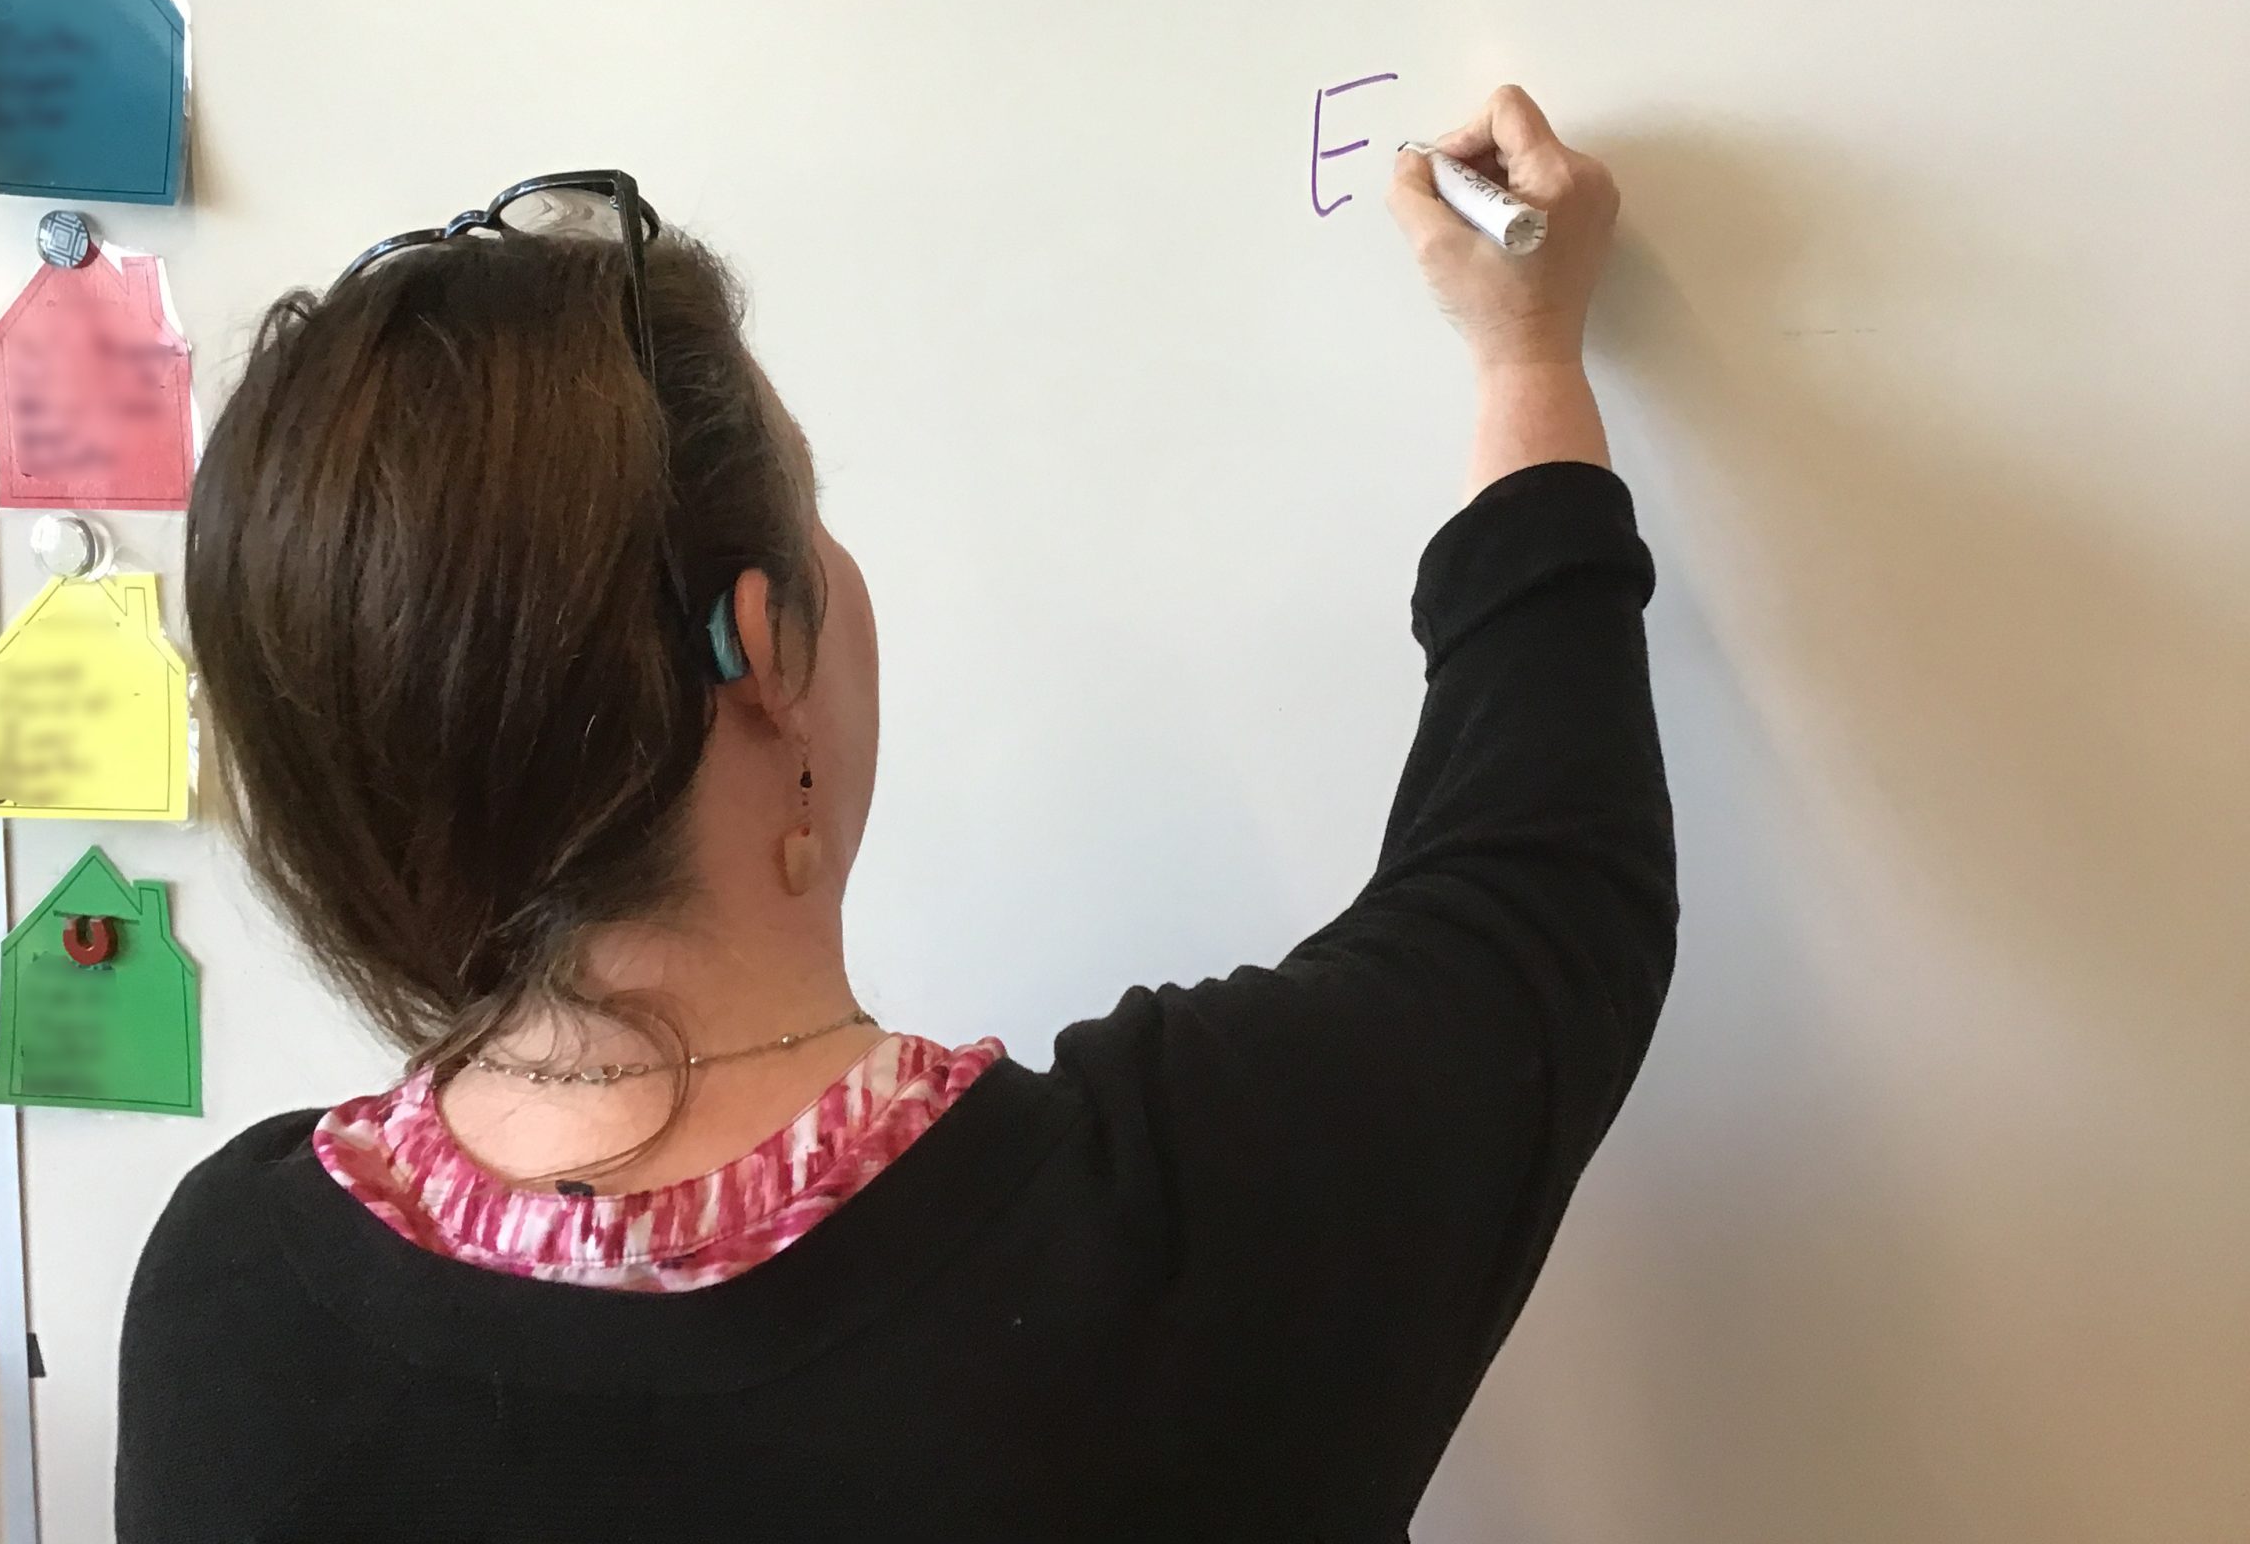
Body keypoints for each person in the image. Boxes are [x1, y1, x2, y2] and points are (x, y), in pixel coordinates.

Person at [119, 86, 1675, 1541]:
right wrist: (1527, 359)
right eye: (814, 506)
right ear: (766, 646)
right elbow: (1544, 885)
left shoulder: (226, 1307)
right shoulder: (1186, 1241)